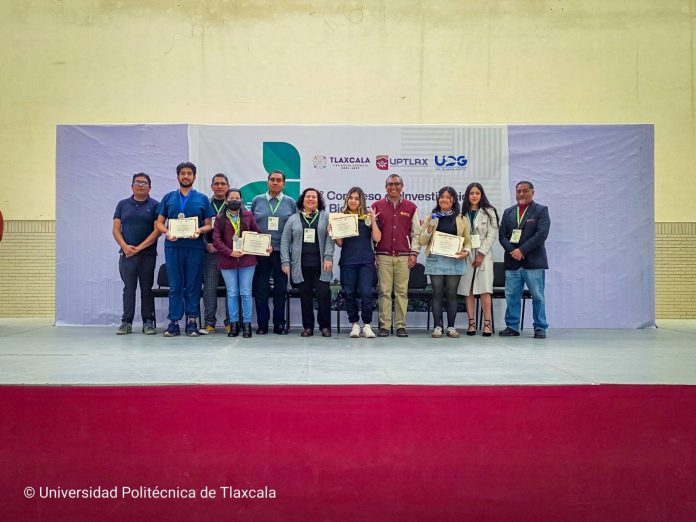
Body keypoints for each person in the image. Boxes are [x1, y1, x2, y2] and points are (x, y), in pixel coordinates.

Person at [155, 162, 215, 337]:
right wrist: (166, 232)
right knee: (175, 285)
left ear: (194, 177)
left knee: (193, 285)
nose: (186, 176)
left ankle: (192, 322)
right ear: (178, 176)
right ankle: (173, 322)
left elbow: (209, 225)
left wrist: (199, 231)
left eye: (189, 173)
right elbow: (159, 222)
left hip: (195, 247)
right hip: (173, 246)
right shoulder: (169, 198)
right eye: (183, 173)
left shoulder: (202, 199)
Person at [498, 180, 551, 339]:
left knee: (538, 296)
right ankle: (512, 326)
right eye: (518, 191)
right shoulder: (508, 212)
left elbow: (541, 234)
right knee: (512, 296)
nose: (521, 194)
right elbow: (502, 236)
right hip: (512, 262)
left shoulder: (541, 210)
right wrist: (513, 251)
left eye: (525, 191)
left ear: (532, 192)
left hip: (533, 262)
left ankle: (540, 327)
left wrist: (522, 250)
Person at [280, 188, 335, 337]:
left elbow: (331, 238)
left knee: (323, 296)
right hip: (301, 266)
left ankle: (325, 327)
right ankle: (308, 327)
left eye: (314, 197)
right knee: (305, 297)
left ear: (318, 200)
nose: (311, 199)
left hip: (322, 265)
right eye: (308, 197)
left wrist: (328, 257)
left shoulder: (326, 217)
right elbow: (285, 240)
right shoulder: (293, 218)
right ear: (302, 200)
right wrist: (285, 262)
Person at [112, 173, 161, 335]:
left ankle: (148, 322)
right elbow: (116, 229)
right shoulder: (122, 204)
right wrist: (125, 246)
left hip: (147, 255)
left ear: (150, 187)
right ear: (132, 186)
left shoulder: (155, 205)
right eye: (137, 182)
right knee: (128, 288)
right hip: (127, 255)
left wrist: (139, 248)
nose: (140, 185)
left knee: (146, 288)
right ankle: (126, 322)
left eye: (144, 182)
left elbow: (157, 231)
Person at [419, 186, 471, 338]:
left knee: (452, 294)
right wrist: (429, 228)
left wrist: (466, 252)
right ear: (438, 199)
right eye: (442, 196)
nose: (444, 199)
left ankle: (451, 327)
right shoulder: (431, 217)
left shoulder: (462, 218)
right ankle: (437, 327)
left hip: (455, 260)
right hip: (435, 260)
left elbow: (468, 241)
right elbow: (422, 240)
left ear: (453, 200)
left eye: (448, 197)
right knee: (437, 294)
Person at [371, 174, 420, 337]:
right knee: (384, 292)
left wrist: (414, 253)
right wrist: (373, 253)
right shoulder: (376, 206)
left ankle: (400, 326)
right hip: (383, 255)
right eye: (390, 184)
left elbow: (416, 233)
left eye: (397, 184)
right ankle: (385, 326)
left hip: (403, 256)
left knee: (401, 292)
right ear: (386, 187)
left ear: (402, 186)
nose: (393, 187)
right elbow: (371, 233)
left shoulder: (411, 207)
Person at [213, 188, 263, 338]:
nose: (234, 200)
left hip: (247, 261)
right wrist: (230, 252)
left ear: (241, 200)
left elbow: (257, 233)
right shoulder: (220, 218)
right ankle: (233, 324)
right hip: (228, 261)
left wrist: (264, 244)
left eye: (237, 198)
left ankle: (247, 324)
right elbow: (216, 240)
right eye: (231, 198)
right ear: (226, 200)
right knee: (232, 292)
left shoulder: (248, 215)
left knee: (246, 292)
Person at [332, 187, 381, 339]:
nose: (353, 201)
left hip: (366, 261)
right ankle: (354, 324)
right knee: (349, 293)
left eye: (357, 198)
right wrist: (333, 232)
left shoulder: (367, 217)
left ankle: (367, 325)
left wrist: (373, 222)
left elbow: (377, 238)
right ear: (347, 199)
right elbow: (340, 243)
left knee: (366, 293)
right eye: (351, 198)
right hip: (348, 261)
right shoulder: (341, 217)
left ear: (361, 201)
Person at [251, 170, 296, 335]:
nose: (275, 183)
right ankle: (262, 324)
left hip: (281, 253)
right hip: (260, 252)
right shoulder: (257, 200)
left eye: (279, 180)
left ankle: (279, 324)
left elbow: (295, 227)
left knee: (280, 289)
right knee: (261, 289)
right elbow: (250, 224)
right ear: (267, 182)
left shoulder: (290, 202)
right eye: (272, 180)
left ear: (284, 184)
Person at [457, 183, 499, 337]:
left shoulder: (489, 212)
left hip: (484, 253)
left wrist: (481, 254)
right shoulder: (462, 214)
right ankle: (471, 323)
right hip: (467, 253)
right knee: (467, 289)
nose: (474, 196)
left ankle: (487, 324)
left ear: (482, 195)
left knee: (484, 289)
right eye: (471, 193)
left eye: (477, 193)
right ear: (467, 196)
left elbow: (491, 235)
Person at [200, 173, 230, 335]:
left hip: (229, 254)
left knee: (231, 290)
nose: (219, 186)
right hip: (210, 253)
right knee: (209, 289)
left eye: (223, 184)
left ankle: (231, 322)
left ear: (228, 186)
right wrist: (206, 246)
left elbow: (241, 229)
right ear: (211, 187)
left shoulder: (233, 204)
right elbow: (198, 228)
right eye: (216, 184)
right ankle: (209, 323)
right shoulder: (205, 204)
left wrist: (227, 248)